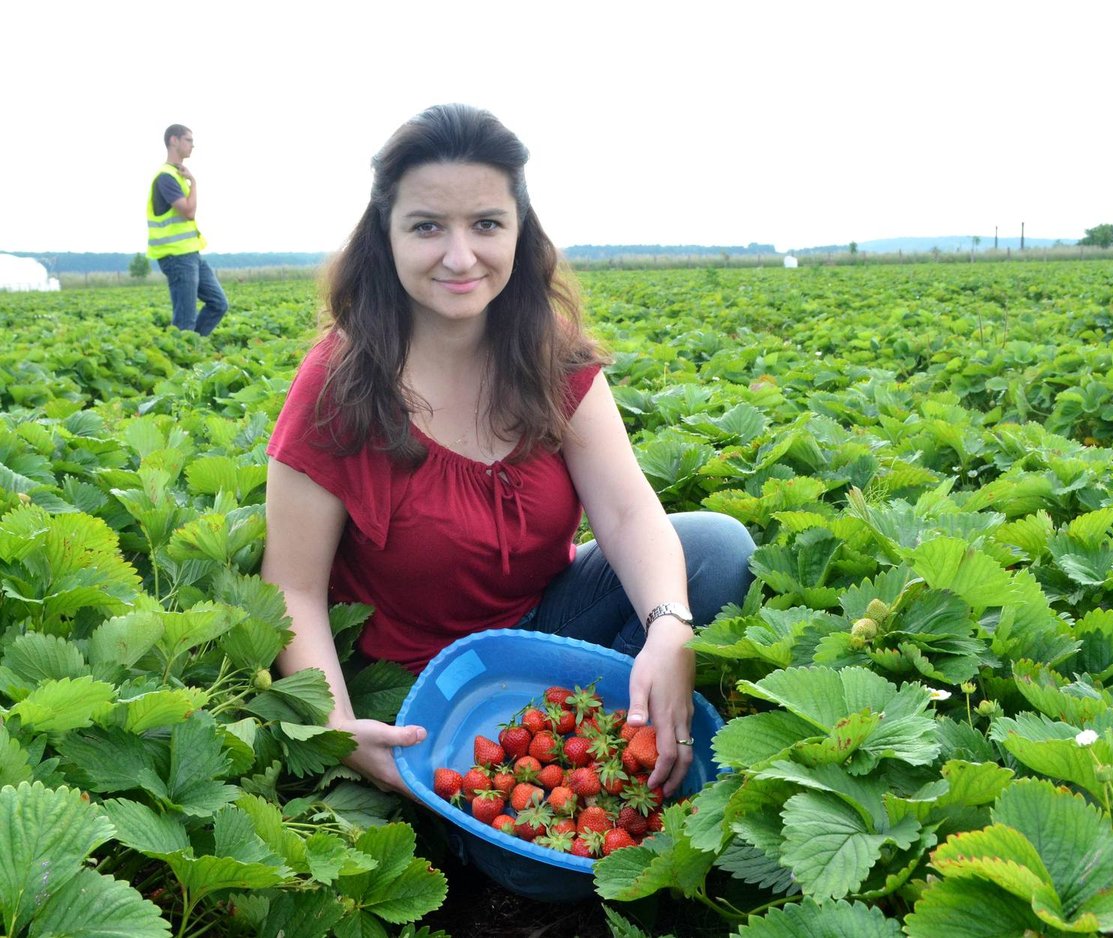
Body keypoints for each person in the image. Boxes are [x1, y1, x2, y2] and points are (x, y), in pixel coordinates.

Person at [261, 103, 754, 800]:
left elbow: (624, 510)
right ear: (386, 234)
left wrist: (668, 628)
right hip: (423, 685)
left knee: (716, 550)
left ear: (520, 230)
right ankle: (537, 783)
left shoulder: (545, 351)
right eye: (427, 226)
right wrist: (337, 726)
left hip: (543, 625)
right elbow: (293, 585)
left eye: (486, 224)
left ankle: (592, 753)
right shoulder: (340, 383)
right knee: (497, 847)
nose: (460, 257)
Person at [146, 124, 228, 335]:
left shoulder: (176, 174)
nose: (193, 145)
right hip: (176, 256)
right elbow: (188, 212)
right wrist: (194, 182)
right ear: (174, 140)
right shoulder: (166, 177)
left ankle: (191, 347)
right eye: (189, 140)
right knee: (184, 320)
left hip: (190, 253)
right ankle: (182, 358)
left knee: (218, 303)